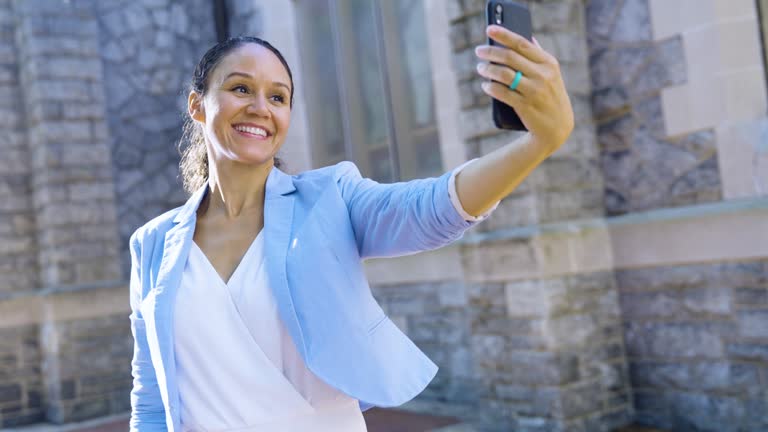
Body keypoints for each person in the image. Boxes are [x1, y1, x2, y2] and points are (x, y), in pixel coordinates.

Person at [128, 24, 573, 432]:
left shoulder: (331, 199)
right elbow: (150, 401)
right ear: (197, 106)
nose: (260, 108)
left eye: (278, 97)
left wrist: (537, 144)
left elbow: (429, 208)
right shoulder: (151, 245)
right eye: (241, 88)